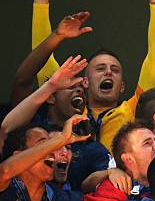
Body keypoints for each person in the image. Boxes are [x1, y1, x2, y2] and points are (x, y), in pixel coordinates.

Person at [16, 0, 155, 150]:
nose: (108, 72)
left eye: (114, 70)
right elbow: (43, 60)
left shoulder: (132, 108)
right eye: (100, 68)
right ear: (85, 81)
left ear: (122, 86)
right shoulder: (66, 107)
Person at [4, 48, 111, 190]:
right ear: (51, 97)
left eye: (81, 88)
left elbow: (99, 182)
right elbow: (22, 82)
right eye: (70, 87)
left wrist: (111, 172)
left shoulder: (89, 144)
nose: (79, 90)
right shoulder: (32, 127)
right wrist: (56, 37)